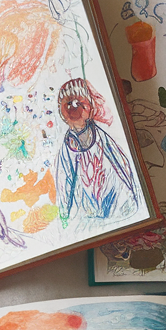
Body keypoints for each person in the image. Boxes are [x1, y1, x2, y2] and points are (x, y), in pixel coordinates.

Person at [55, 78, 138, 224]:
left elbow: (122, 165)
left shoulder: (102, 138)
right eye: (68, 104)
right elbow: (64, 184)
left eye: (79, 103)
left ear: (91, 108)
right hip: (87, 213)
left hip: (116, 204)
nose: (74, 108)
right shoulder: (67, 149)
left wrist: (131, 193)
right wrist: (65, 215)